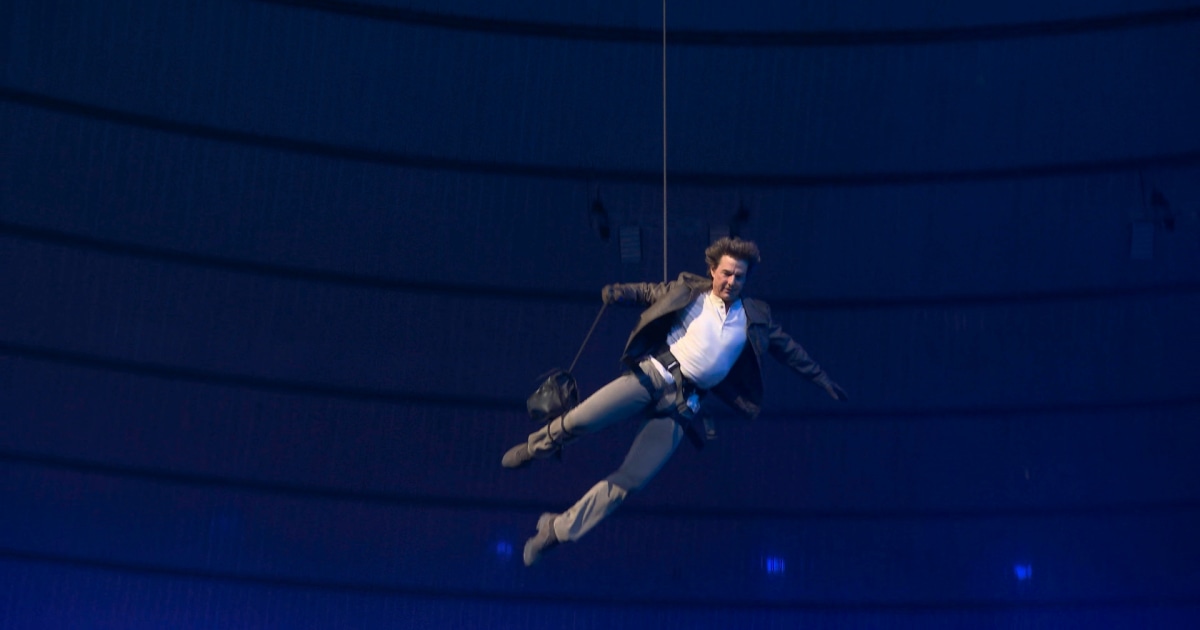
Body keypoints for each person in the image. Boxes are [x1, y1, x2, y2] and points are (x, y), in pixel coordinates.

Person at [501, 237, 848, 566]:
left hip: (684, 406)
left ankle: (556, 531)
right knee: (581, 419)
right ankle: (536, 447)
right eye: (726, 273)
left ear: (746, 279)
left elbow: (790, 352)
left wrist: (822, 379)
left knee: (631, 480)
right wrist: (623, 292)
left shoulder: (754, 317)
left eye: (738, 276)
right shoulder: (690, 290)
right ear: (713, 270)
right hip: (652, 377)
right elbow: (651, 292)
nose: (730, 281)